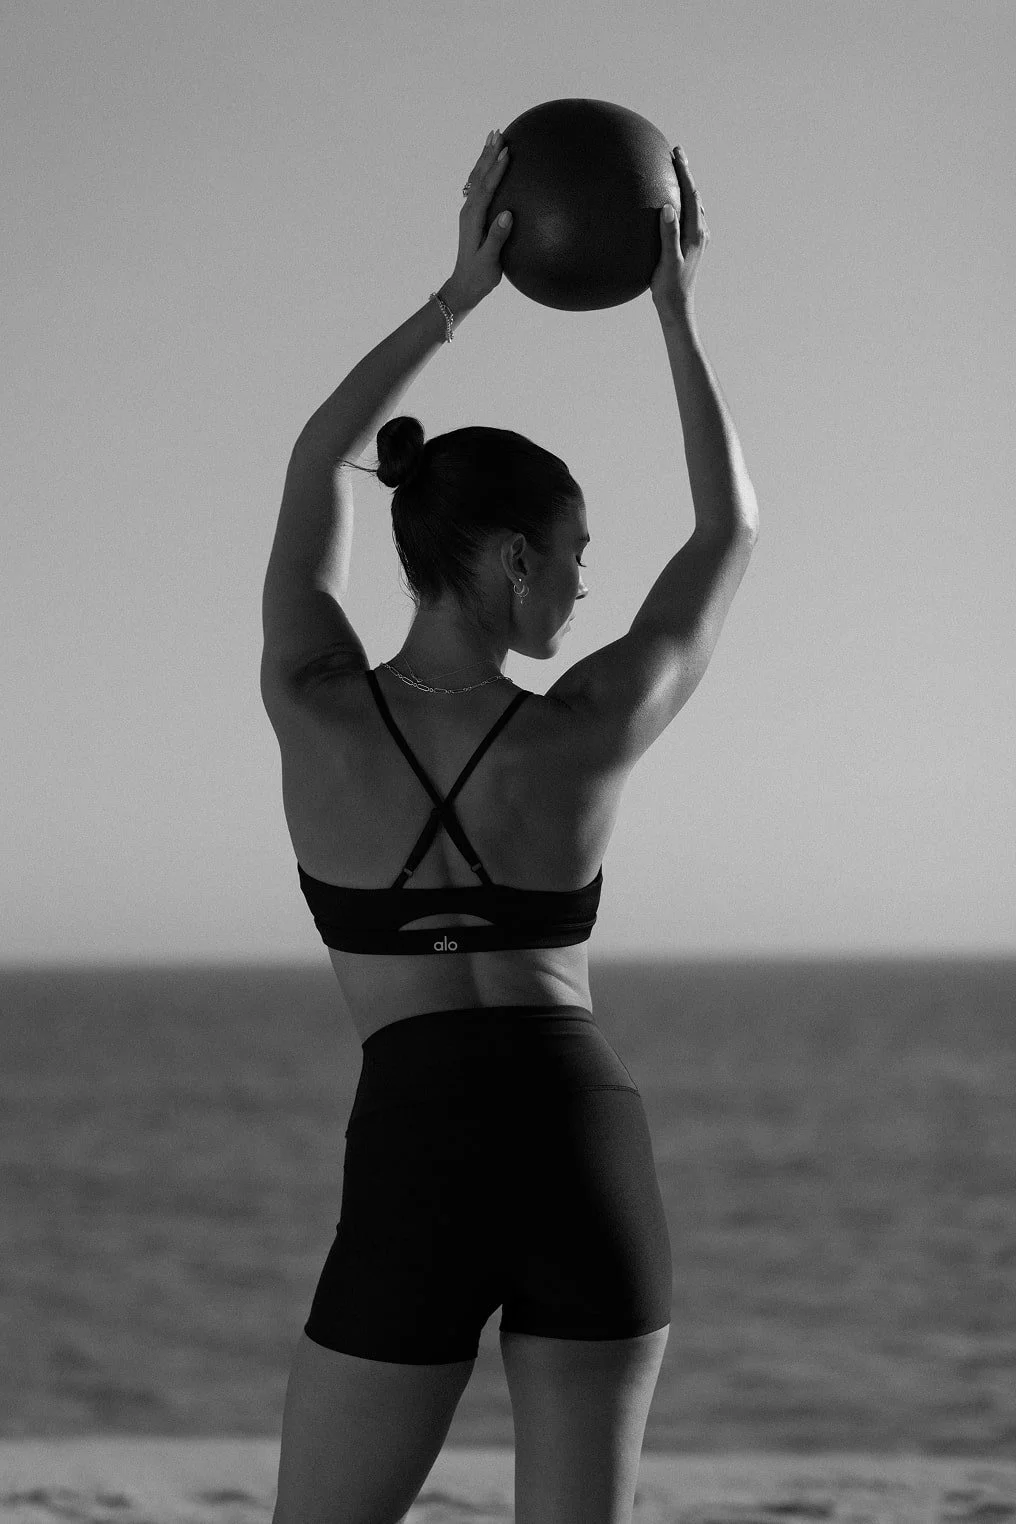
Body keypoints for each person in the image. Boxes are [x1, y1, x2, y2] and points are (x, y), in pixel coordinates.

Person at [260, 129, 758, 1524]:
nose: (587, 591)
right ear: (515, 557)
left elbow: (315, 460)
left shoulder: (314, 706)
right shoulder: (584, 728)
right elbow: (731, 529)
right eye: (581, 557)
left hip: (420, 1142)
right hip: (577, 1131)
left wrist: (459, 295)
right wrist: (676, 312)